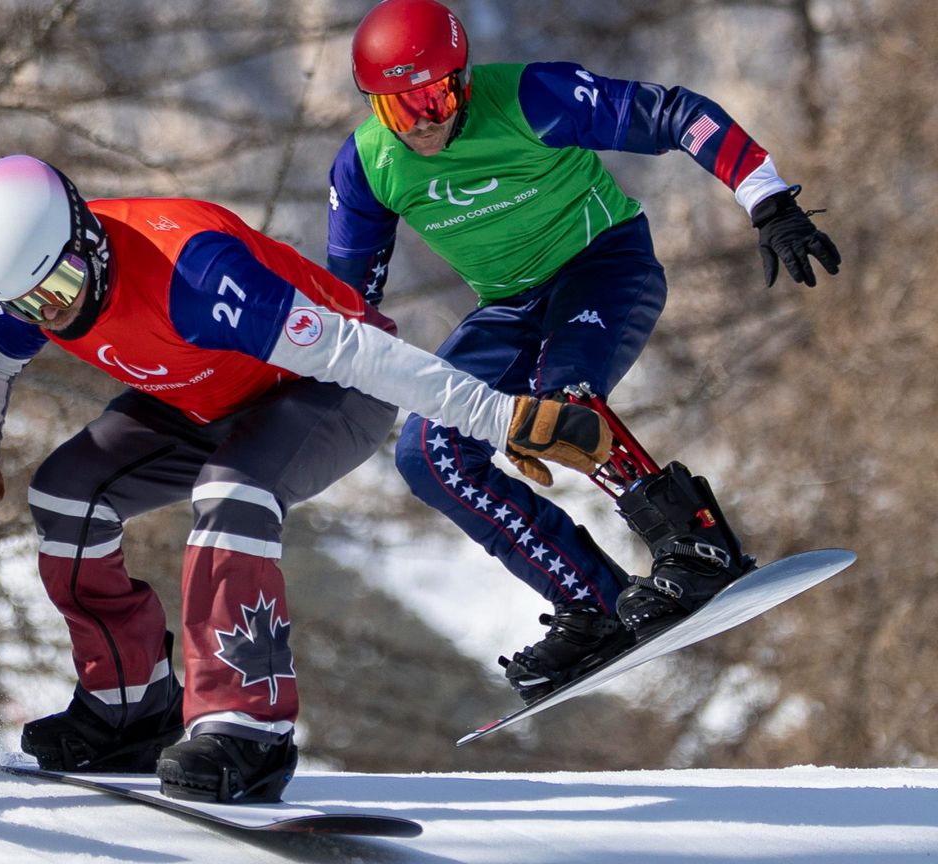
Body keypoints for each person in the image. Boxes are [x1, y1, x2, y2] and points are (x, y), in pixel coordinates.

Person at [0, 154, 612, 803]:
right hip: (204, 397)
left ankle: (247, 729)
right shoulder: (38, 274)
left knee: (233, 489)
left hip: (329, 386)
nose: (56, 313)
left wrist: (500, 415)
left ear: (89, 239)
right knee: (65, 497)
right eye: (36, 307)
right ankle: (129, 707)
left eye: (63, 289)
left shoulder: (195, 274)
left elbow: (363, 352)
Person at [328, 0, 842, 703]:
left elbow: (673, 112)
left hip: (605, 265)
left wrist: (769, 200)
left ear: (465, 80)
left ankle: (696, 546)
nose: (423, 121)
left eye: (436, 94)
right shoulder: (366, 167)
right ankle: (591, 602)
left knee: (559, 403)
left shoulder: (534, 97)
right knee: (428, 454)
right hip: (509, 306)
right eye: (399, 108)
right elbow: (348, 306)